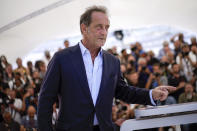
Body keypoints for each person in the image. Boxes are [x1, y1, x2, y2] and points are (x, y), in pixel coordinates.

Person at [37, 6, 175, 131]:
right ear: (84, 28)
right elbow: (45, 100)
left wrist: (151, 94)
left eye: (106, 27)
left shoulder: (112, 61)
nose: (104, 32)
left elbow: (123, 91)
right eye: (99, 27)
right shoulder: (62, 58)